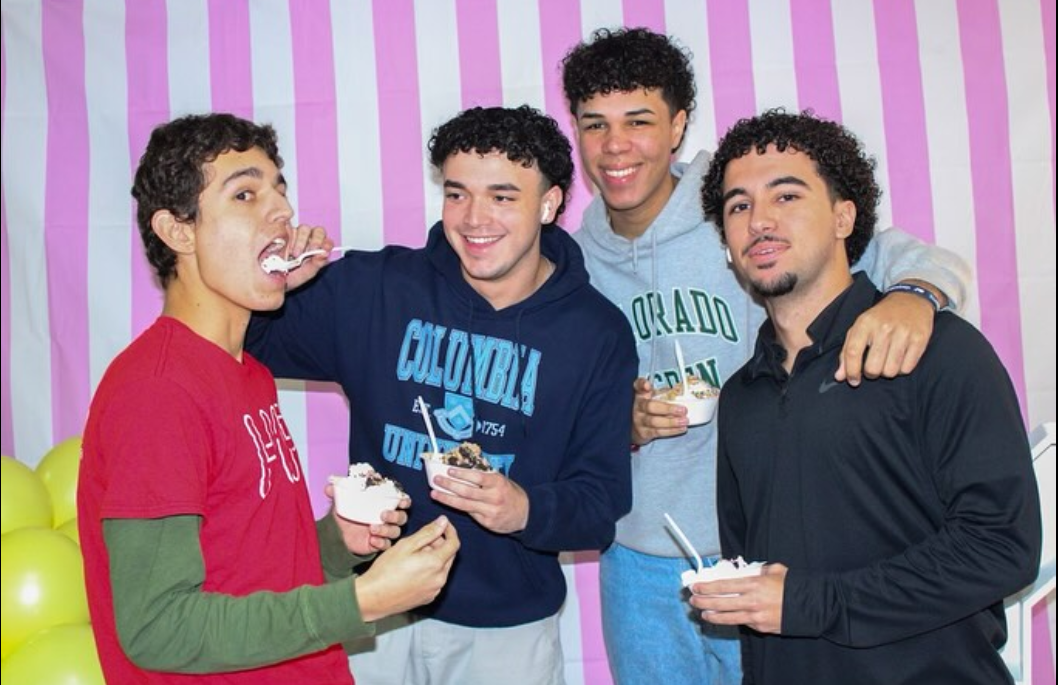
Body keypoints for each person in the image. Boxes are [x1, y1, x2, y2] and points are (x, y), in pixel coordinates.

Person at [559, 27, 973, 684]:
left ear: (677, 126)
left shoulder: (742, 215)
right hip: (636, 556)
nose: (615, 146)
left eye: (638, 120)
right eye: (595, 124)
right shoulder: (573, 264)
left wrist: (914, 296)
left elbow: (913, 255)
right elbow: (562, 412)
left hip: (765, 552)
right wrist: (619, 428)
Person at [246, 105, 638, 684]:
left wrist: (521, 509)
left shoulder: (596, 333)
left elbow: (600, 504)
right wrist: (272, 282)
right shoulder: (375, 288)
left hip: (507, 634)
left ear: (550, 204)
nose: (475, 218)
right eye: (457, 194)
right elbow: (245, 343)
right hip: (374, 611)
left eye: (503, 196)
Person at [77, 113, 460, 685]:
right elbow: (158, 627)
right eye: (246, 194)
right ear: (178, 231)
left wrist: (336, 543)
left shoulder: (249, 372)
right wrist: (360, 601)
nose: (281, 212)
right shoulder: (156, 393)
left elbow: (244, 567)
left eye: (279, 190)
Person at [691, 109, 1041, 684]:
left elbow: (1002, 547)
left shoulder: (940, 352)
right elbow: (757, 577)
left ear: (843, 216)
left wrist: (809, 602)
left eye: (786, 196)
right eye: (739, 206)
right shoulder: (740, 399)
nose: (759, 221)